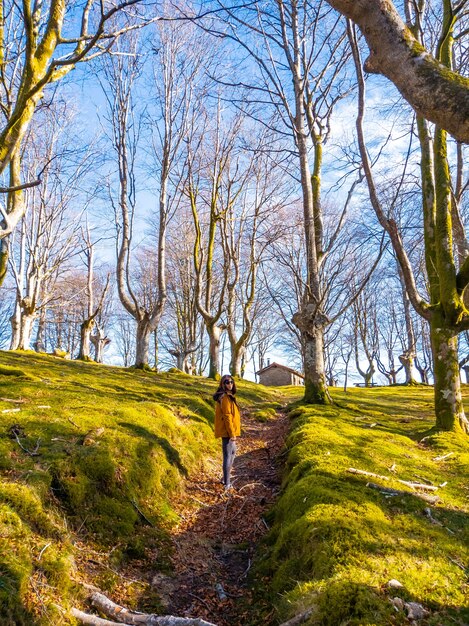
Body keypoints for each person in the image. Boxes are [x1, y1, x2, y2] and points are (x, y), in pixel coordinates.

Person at [213, 375, 241, 490]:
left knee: (233, 452)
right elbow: (227, 417)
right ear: (222, 384)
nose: (230, 384)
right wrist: (232, 433)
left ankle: (225, 478)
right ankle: (227, 483)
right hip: (227, 432)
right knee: (228, 455)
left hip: (230, 431)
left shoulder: (229, 396)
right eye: (227, 382)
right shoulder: (224, 398)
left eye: (231, 382)